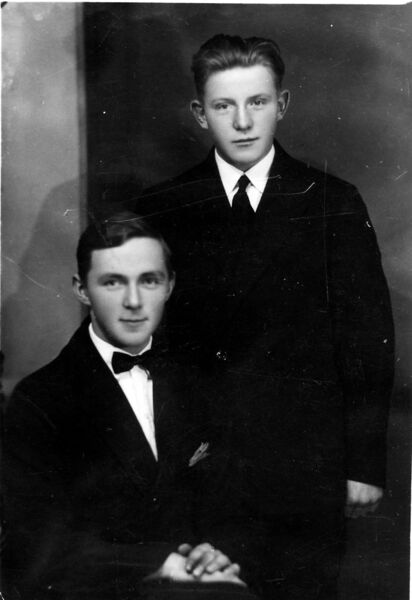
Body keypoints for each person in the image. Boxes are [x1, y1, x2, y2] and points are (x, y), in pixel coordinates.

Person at [134, 34, 395, 599]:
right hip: (201, 466)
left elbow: (367, 340)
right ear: (199, 113)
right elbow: (143, 340)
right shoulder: (162, 208)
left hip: (306, 469)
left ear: (282, 104)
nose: (243, 121)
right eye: (224, 105)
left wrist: (364, 464)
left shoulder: (332, 202)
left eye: (257, 102)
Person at [2, 213, 258, 600]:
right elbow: (38, 547)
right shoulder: (39, 399)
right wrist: (160, 564)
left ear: (169, 286)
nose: (134, 302)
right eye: (113, 282)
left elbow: (232, 507)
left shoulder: (200, 382)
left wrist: (214, 554)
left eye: (149, 280)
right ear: (82, 290)